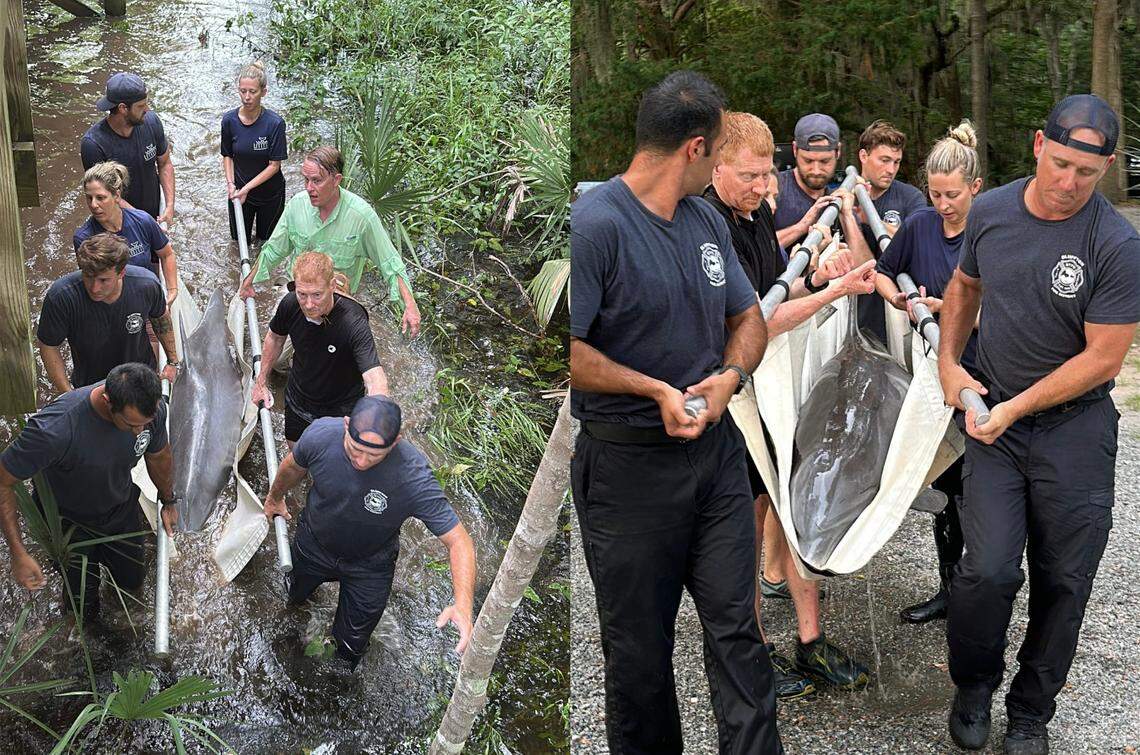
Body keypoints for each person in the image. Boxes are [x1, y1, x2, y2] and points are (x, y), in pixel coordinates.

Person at [570, 71, 781, 754]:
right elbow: (567, 352)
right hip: (626, 472)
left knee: (738, 634)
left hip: (714, 464)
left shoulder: (704, 221)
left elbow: (749, 318)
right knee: (638, 659)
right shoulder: (596, 224)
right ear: (694, 149)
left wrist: (729, 376)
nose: (724, 164)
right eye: (720, 151)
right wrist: (653, 390)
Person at [937, 95, 1140, 754]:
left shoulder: (1114, 242)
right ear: (1036, 146)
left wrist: (1014, 408)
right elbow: (965, 287)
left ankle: (1031, 710)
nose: (1068, 183)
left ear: (1106, 167)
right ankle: (974, 685)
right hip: (995, 420)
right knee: (985, 571)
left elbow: (1104, 356)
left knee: (1064, 578)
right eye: (1059, 164)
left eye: (1087, 172)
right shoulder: (990, 210)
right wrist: (948, 362)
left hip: (1073, 430)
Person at [703, 110, 876, 699]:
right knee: (744, 528)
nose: (763, 186)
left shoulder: (756, 214)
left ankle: (810, 640)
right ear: (716, 166)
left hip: (775, 392)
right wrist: (834, 292)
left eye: (764, 176)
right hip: (736, 402)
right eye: (749, 176)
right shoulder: (708, 225)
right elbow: (756, 320)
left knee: (794, 501)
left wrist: (820, 273)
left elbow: (782, 284)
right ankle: (754, 652)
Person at [262, 395, 474, 670]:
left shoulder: (413, 477)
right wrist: (274, 497)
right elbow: (293, 466)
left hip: (370, 566)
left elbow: (459, 541)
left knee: (349, 649)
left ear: (395, 442)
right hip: (314, 543)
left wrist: (463, 605)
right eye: (354, 449)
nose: (361, 461)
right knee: (292, 597)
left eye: (374, 455)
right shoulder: (322, 435)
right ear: (347, 425)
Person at [874, 120, 984, 625]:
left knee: (980, 490)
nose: (943, 204)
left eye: (953, 195)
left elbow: (1012, 305)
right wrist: (897, 296)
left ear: (975, 189)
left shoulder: (990, 229)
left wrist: (954, 310)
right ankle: (948, 589)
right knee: (946, 488)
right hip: (932, 376)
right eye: (935, 194)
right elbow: (881, 269)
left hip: (983, 370)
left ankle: (983, 587)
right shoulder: (918, 224)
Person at [0, 363, 179, 619]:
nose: (140, 431)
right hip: (68, 524)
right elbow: (3, 481)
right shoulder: (54, 430)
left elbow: (159, 455)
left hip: (119, 509)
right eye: (131, 424)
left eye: (145, 424)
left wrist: (168, 500)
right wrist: (18, 553)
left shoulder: (153, 409)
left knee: (132, 582)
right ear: (108, 401)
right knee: (82, 607)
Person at [238, 146, 421, 338]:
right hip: (300, 294)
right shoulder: (297, 206)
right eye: (306, 180)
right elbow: (273, 249)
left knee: (334, 359)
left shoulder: (362, 217)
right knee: (278, 357)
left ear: (336, 180)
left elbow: (390, 263)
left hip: (337, 299)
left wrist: (410, 305)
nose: (309, 188)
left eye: (316, 180)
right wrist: (249, 281)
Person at [253, 252, 389, 448]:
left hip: (340, 410)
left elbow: (375, 378)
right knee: (296, 452)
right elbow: (274, 338)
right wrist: (261, 382)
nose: (308, 304)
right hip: (299, 398)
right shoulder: (290, 304)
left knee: (333, 464)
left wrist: (374, 424)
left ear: (332, 287)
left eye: (317, 295)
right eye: (303, 294)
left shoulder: (353, 321)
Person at [38, 233, 180, 395]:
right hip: (91, 383)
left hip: (140, 374)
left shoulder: (147, 285)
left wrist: (172, 362)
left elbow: (161, 319)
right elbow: (48, 346)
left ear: (121, 273)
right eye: (88, 277)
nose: (94, 288)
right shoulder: (61, 296)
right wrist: (68, 394)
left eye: (103, 280)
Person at [853, 120, 928, 345]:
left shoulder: (910, 198)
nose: (891, 170)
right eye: (884, 160)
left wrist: (872, 220)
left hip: (897, 313)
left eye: (896, 162)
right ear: (864, 156)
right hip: (852, 314)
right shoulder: (843, 196)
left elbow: (920, 243)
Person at [73, 161, 179, 302]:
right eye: (89, 198)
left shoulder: (143, 221)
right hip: (113, 304)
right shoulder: (84, 238)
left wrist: (172, 291)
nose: (93, 205)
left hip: (147, 296)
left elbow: (167, 254)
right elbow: (92, 283)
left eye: (100, 198)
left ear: (116, 195)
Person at [80, 73, 175, 225]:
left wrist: (169, 207)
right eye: (141, 106)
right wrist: (144, 222)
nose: (147, 109)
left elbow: (165, 164)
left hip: (154, 213)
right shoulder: (93, 144)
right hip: (119, 221)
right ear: (123, 108)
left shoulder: (151, 122)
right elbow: (104, 194)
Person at [221, 62, 287, 244]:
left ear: (263, 92)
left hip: (270, 195)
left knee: (266, 243)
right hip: (239, 193)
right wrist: (230, 184)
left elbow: (274, 166)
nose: (247, 97)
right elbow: (227, 155)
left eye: (252, 92)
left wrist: (248, 188)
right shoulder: (229, 121)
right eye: (243, 91)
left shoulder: (275, 124)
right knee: (238, 242)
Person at [772, 113, 846, 251]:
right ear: (794, 150)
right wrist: (801, 227)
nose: (816, 170)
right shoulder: (773, 189)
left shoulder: (841, 198)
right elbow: (753, 249)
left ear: (838, 152)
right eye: (808, 161)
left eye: (825, 161)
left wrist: (850, 218)